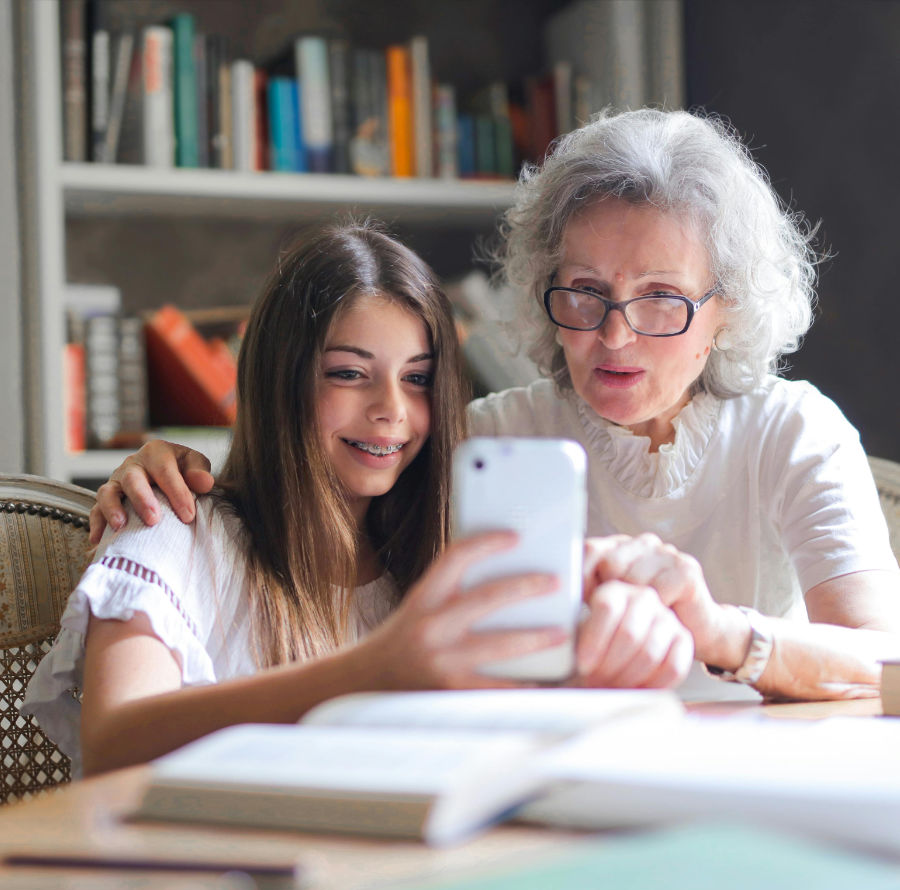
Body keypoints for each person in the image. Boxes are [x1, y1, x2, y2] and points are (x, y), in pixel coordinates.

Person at [94, 110, 900, 701]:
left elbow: (885, 665)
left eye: (660, 299)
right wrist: (165, 468)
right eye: (584, 293)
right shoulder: (484, 439)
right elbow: (311, 493)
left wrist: (719, 632)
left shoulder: (793, 429)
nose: (614, 337)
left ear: (725, 310)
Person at [24, 222, 692, 777]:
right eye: (349, 374)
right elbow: (113, 742)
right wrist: (375, 670)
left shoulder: (436, 562)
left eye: (418, 380)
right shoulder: (172, 529)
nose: (391, 413)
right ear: (280, 379)